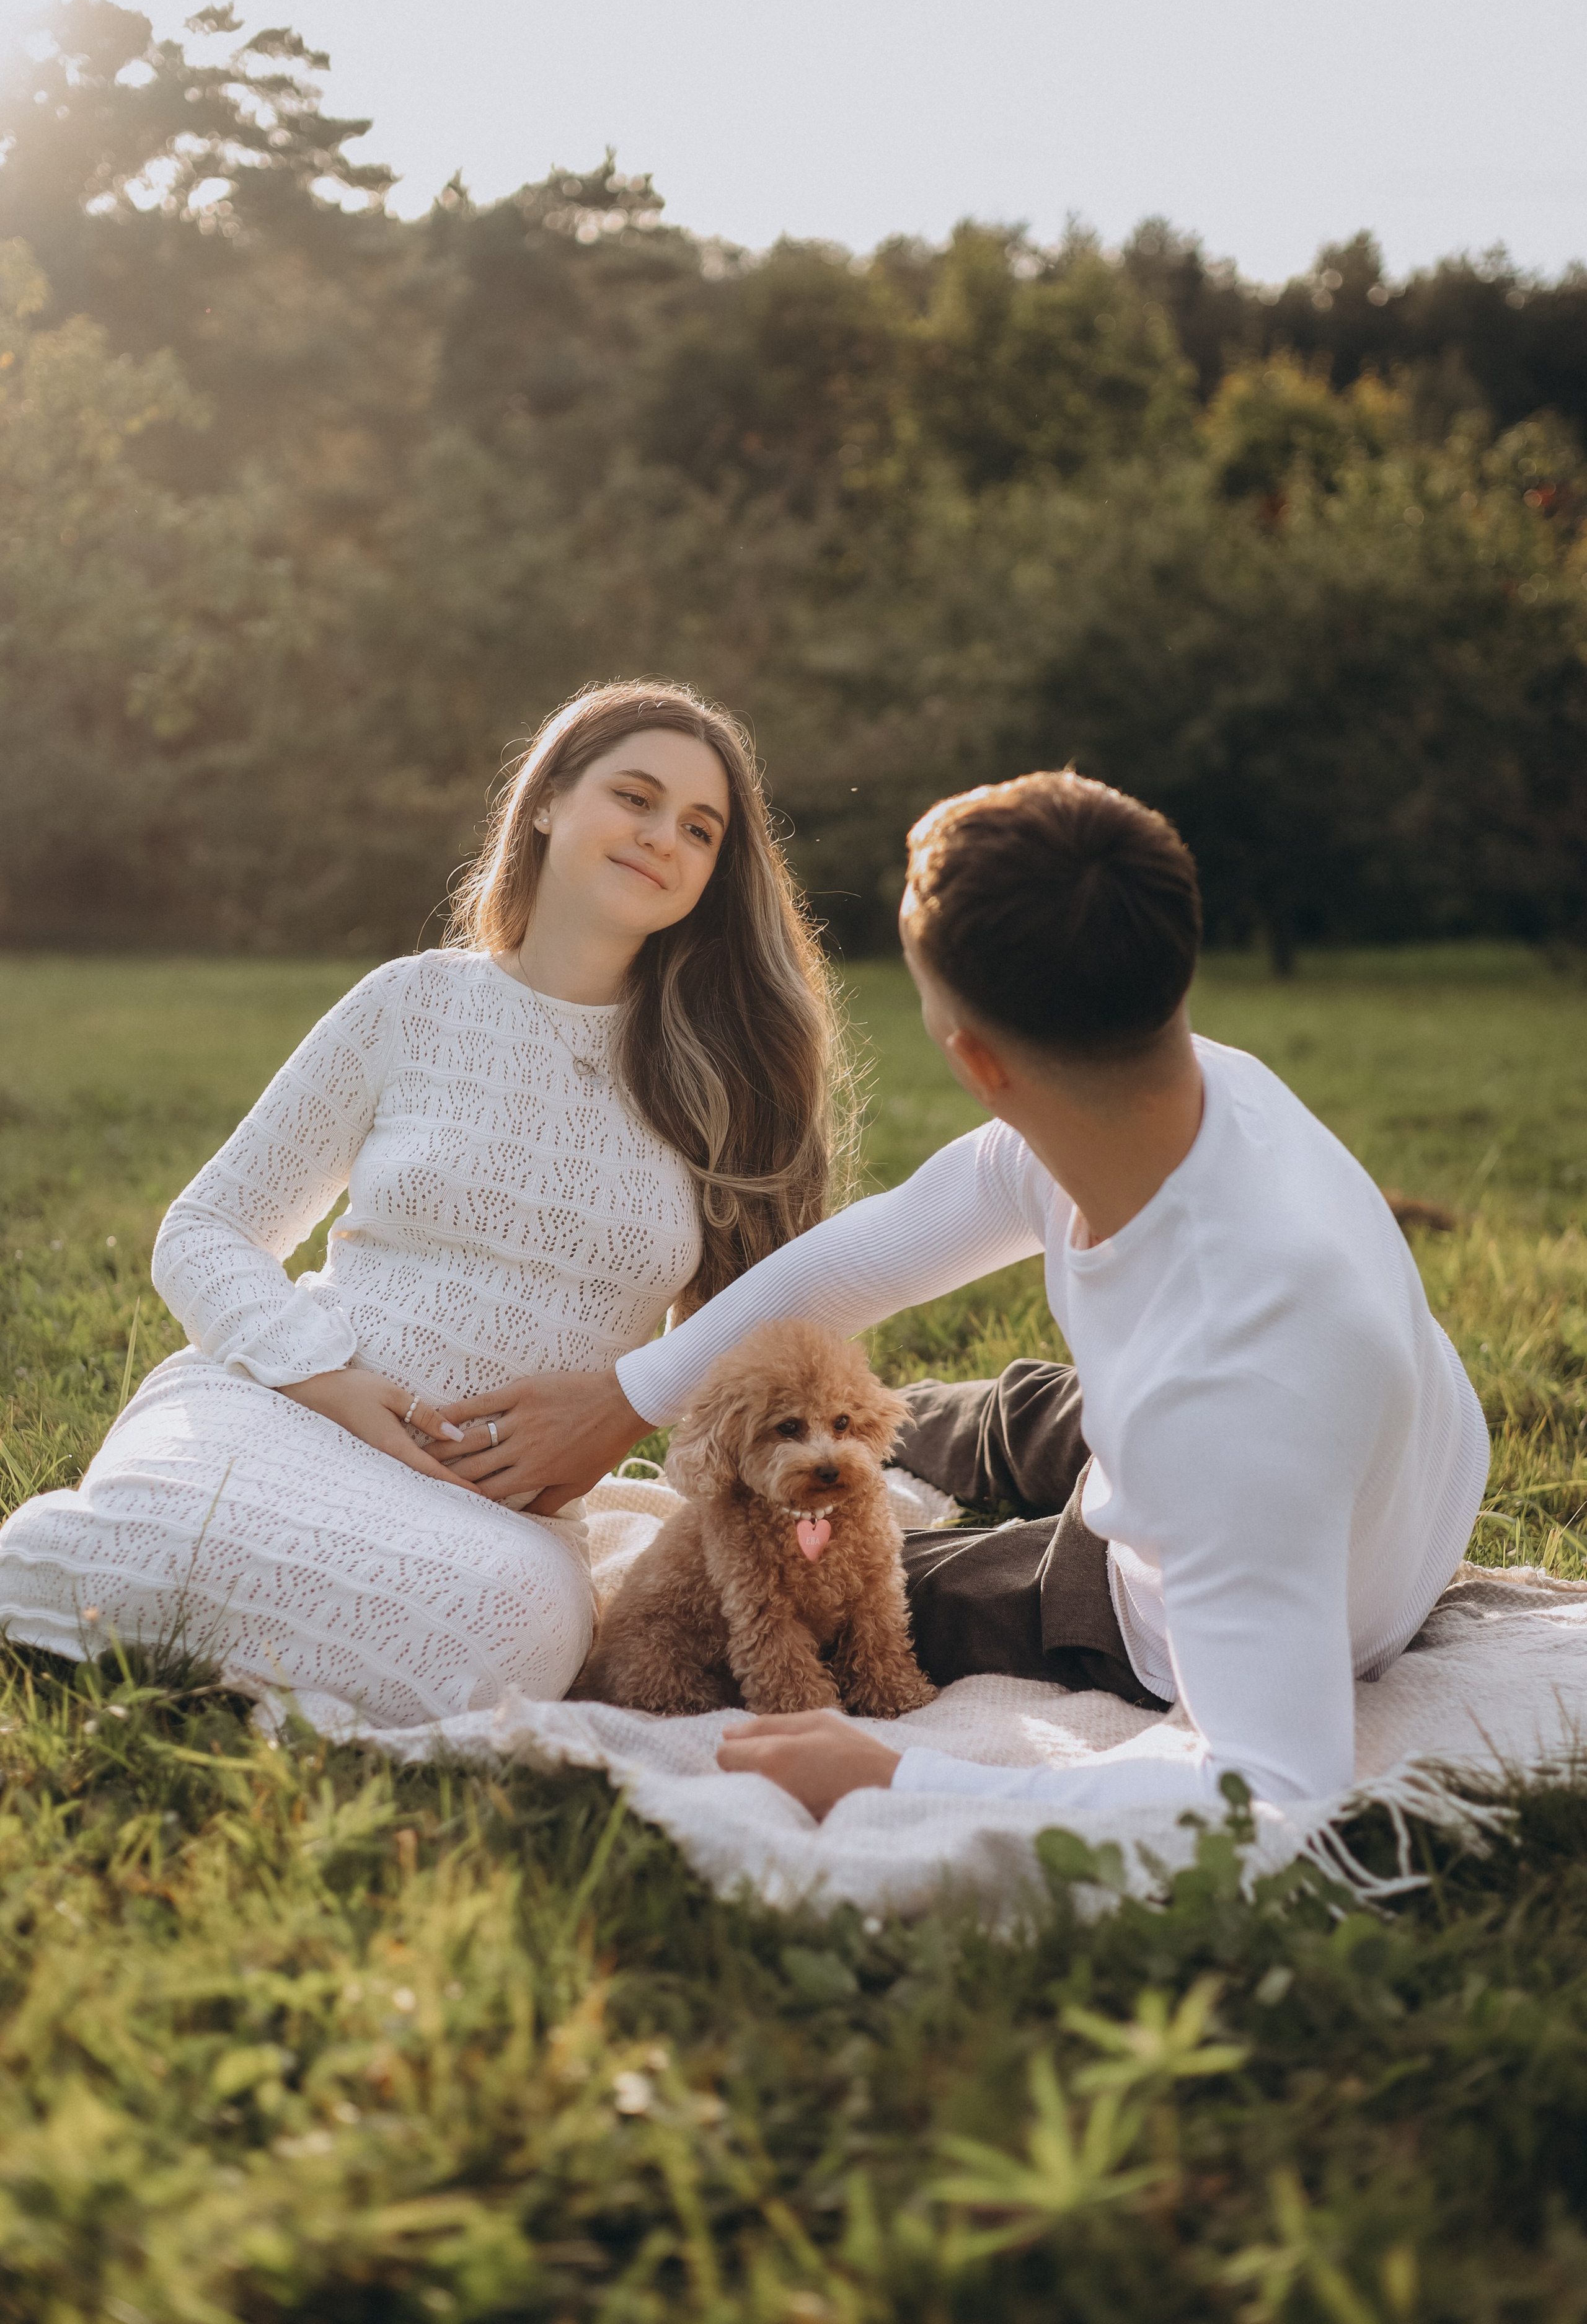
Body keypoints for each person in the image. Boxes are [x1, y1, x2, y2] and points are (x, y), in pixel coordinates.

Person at [490, 769, 1490, 1818]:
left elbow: (1274, 1798)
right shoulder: (1200, 1086)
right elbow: (870, 1252)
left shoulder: (1218, 1408)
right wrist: (630, 1398)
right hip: (1392, 1447)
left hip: (1329, 1567)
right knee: (991, 1409)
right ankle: (897, 1428)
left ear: (975, 1058)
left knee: (861, 1575)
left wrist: (896, 1774)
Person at [0, 681, 849, 1724]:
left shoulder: (726, 1076)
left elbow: (753, 1344)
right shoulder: (410, 1003)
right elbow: (206, 1229)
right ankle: (224, 1621)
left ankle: (180, 1638)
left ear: (715, 875)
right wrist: (327, 1378)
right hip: (281, 1411)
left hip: (496, 1516)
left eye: (700, 829)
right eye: (635, 797)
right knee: (117, 1533)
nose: (662, 837)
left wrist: (627, 1415)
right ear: (545, 803)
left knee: (510, 1642)